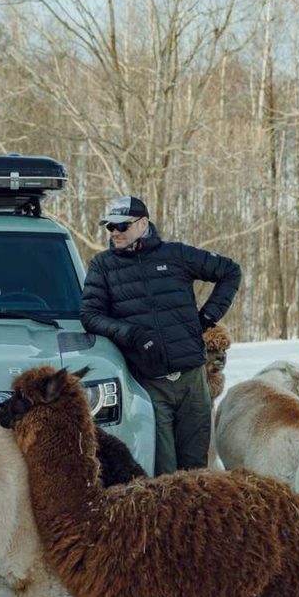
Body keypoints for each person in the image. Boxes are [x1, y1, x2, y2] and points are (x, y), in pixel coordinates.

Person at [80, 196, 241, 475]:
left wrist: (206, 318)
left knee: (195, 471)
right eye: (110, 227)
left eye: (122, 226)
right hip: (149, 384)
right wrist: (132, 334)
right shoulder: (103, 266)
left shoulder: (175, 255)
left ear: (143, 224)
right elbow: (90, 316)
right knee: (164, 473)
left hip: (192, 380)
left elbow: (230, 271)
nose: (115, 233)